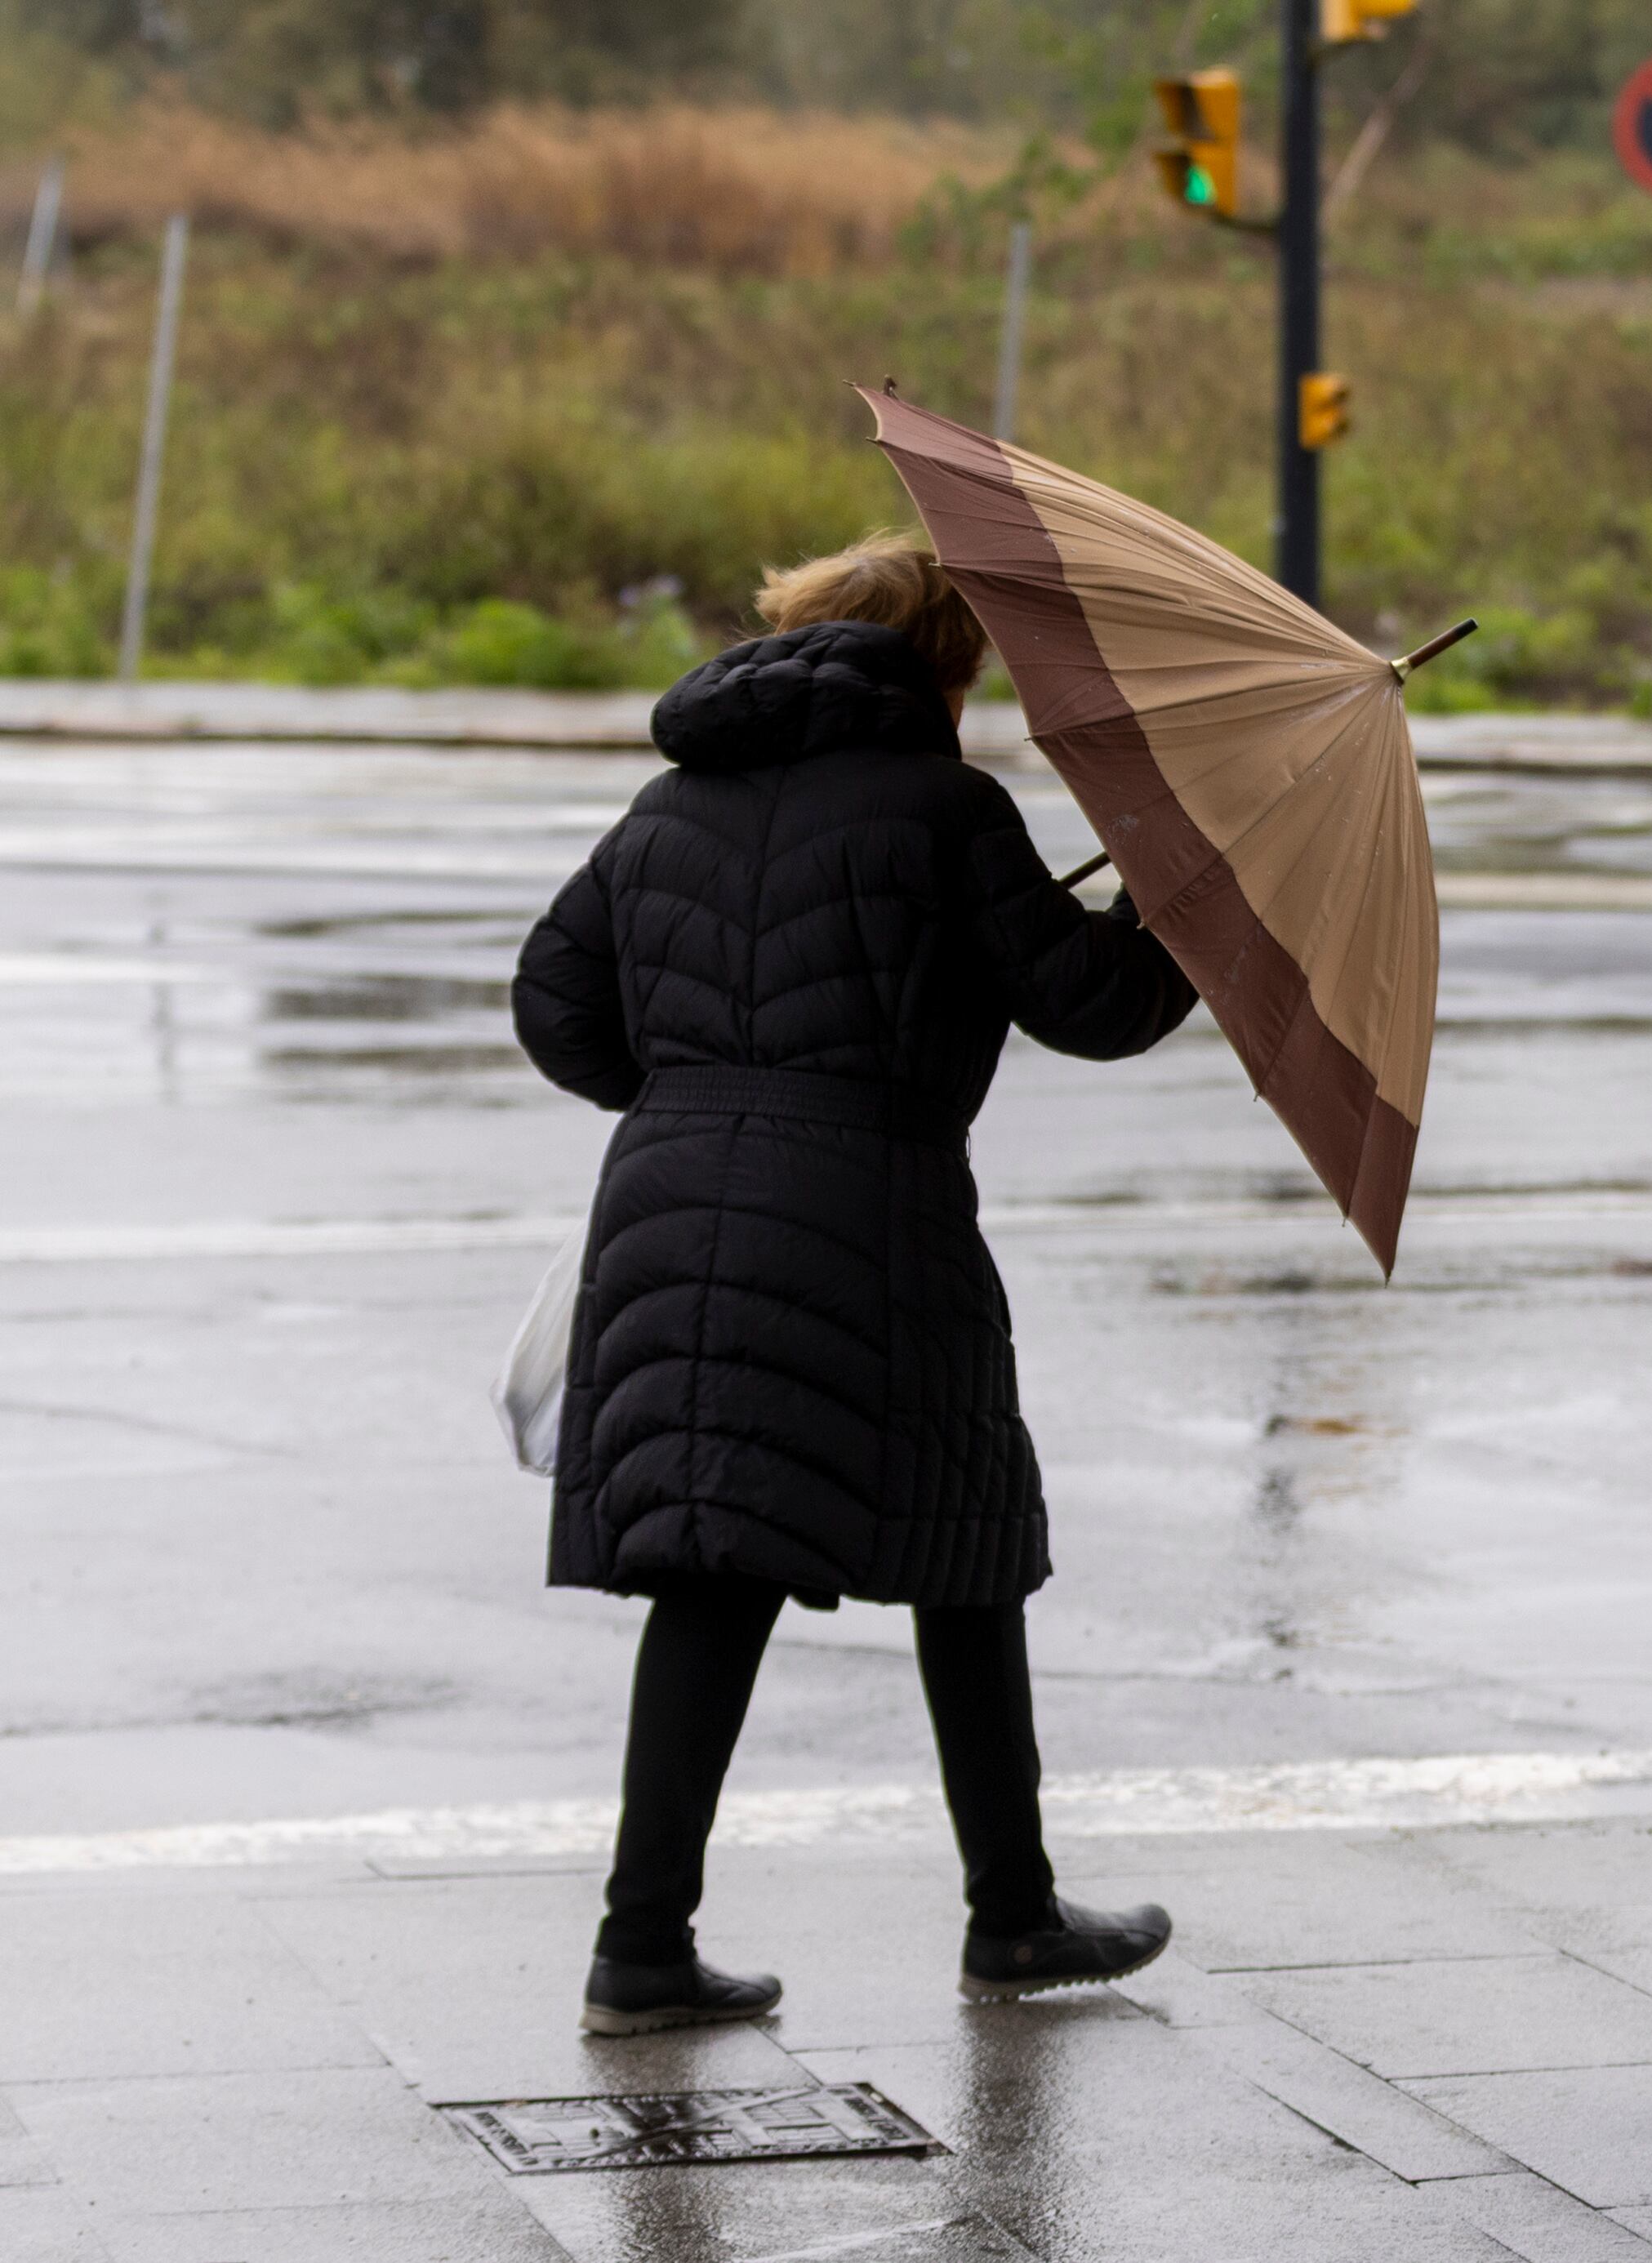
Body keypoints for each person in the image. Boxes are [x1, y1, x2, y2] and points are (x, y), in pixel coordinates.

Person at [512, 532, 1200, 2034]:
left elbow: (551, 1000)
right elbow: (1090, 1004)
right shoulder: (945, 809)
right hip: (870, 1207)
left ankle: (642, 1947)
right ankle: (1012, 1918)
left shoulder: (667, 802)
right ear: (947, 664)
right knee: (966, 1543)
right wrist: (1180, 898)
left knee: (711, 1559)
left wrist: (698, 1094)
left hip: (671, 1197)